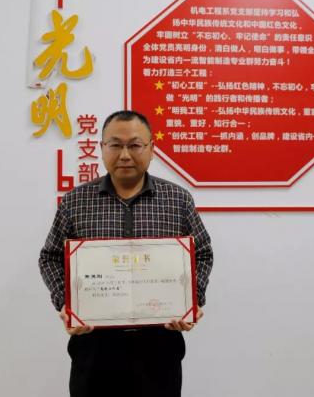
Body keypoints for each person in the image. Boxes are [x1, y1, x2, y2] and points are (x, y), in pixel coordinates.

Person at [39, 110, 213, 397]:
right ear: (101, 148)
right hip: (94, 343)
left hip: (159, 343)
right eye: (115, 145)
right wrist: (67, 303)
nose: (124, 155)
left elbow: (203, 253)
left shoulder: (178, 200)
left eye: (134, 145)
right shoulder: (75, 201)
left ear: (152, 149)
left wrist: (191, 299)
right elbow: (50, 256)